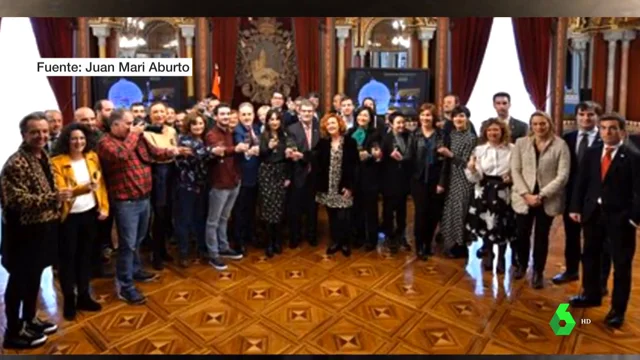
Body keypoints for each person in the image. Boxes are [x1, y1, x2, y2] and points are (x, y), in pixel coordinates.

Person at [97, 109, 190, 304]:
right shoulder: (106, 143)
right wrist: (134, 135)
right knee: (127, 245)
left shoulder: (136, 138)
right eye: (128, 123)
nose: (133, 127)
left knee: (138, 240)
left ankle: (135, 270)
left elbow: (154, 152)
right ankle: (125, 285)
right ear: (115, 125)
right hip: (126, 202)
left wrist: (173, 151)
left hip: (144, 198)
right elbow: (121, 156)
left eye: (133, 123)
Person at [568, 113, 640, 329]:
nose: (608, 132)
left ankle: (618, 310)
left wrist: (634, 219)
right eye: (604, 128)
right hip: (592, 215)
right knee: (590, 256)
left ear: (622, 132)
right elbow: (582, 182)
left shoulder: (634, 156)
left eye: (613, 128)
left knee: (621, 265)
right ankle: (591, 294)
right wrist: (575, 207)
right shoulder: (592, 153)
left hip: (621, 219)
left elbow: (639, 192)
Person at [1, 112, 64, 349]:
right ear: (24, 134)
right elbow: (15, 200)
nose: (41, 136)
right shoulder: (15, 163)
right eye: (35, 132)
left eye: (44, 131)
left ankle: (29, 319)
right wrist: (53, 198)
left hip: (42, 229)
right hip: (22, 234)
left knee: (35, 277)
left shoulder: (43, 155)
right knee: (18, 282)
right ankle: (13, 332)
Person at [51, 123, 108, 320]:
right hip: (68, 218)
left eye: (82, 138)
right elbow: (61, 191)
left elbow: (100, 185)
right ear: (67, 140)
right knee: (68, 260)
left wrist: (104, 207)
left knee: (86, 257)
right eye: (74, 138)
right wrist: (84, 189)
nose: (78, 142)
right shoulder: (57, 162)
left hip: (89, 214)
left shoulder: (92, 157)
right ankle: (69, 299)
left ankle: (84, 295)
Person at [510, 111, 570, 289]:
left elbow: (563, 175)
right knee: (522, 234)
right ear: (531, 125)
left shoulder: (561, 145)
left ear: (549, 124)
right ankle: (521, 265)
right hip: (524, 197)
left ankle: (538, 271)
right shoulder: (521, 143)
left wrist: (541, 195)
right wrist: (526, 195)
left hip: (547, 199)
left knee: (541, 237)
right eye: (535, 124)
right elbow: (515, 170)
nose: (539, 127)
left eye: (542, 124)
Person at [552, 101, 602, 286]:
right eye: (582, 114)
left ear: (597, 117)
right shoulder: (568, 138)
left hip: (596, 199)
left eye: (590, 115)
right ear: (576, 117)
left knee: (594, 241)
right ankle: (571, 271)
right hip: (572, 196)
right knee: (571, 237)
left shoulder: (604, 139)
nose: (585, 118)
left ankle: (594, 280)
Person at [464, 119, 516, 273]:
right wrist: (472, 169)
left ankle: (501, 256)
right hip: (484, 190)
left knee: (502, 223)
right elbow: (474, 178)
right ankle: (489, 253)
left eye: (496, 130)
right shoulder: (479, 150)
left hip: (503, 190)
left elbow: (516, 169)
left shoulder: (512, 149)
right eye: (490, 130)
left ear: (502, 131)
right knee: (486, 223)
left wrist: (512, 176)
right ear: (485, 132)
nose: (493, 133)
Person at [407, 103, 448, 260]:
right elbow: (409, 158)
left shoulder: (442, 135)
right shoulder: (414, 135)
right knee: (421, 213)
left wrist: (442, 182)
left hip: (436, 180)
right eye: (423, 115)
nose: (425, 118)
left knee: (434, 214)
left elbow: (445, 162)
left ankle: (428, 243)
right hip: (418, 180)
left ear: (434, 117)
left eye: (428, 115)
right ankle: (420, 246)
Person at [314, 113, 358, 256]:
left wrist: (350, 186)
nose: (331, 126)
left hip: (343, 185)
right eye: (328, 124)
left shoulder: (350, 142)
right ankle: (335, 242)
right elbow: (315, 161)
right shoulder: (322, 143)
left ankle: (345, 243)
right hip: (327, 186)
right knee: (332, 216)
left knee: (344, 216)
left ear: (340, 124)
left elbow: (354, 166)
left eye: (333, 123)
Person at [438, 105, 477, 259]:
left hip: (464, 179)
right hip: (450, 178)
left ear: (467, 118)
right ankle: (450, 244)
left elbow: (468, 164)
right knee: (449, 211)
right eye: (455, 116)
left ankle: (460, 245)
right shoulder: (451, 135)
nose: (458, 119)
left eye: (461, 116)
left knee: (460, 212)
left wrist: (450, 155)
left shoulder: (472, 138)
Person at [258, 109, 294, 257]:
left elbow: (290, 158)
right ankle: (269, 242)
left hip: (281, 172)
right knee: (267, 208)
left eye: (277, 119)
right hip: (266, 172)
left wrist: (288, 177)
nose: (274, 122)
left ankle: (278, 240)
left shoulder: (286, 136)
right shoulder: (263, 136)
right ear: (267, 121)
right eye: (271, 119)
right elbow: (261, 155)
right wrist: (269, 148)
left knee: (279, 208)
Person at [348, 106, 383, 251]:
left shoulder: (376, 133)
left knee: (371, 209)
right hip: (355, 175)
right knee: (357, 209)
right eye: (360, 115)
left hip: (370, 175)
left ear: (370, 118)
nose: (362, 118)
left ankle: (372, 239)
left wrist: (372, 155)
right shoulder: (350, 133)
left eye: (365, 115)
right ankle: (358, 237)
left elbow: (378, 152)